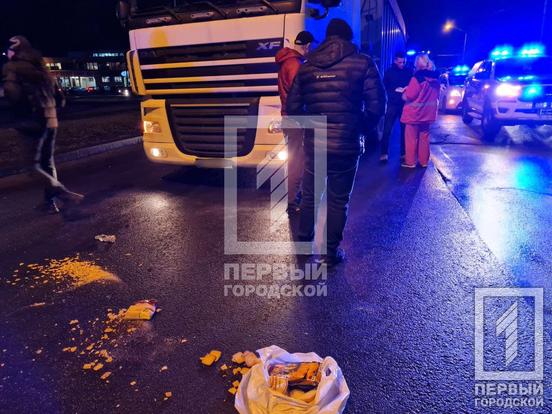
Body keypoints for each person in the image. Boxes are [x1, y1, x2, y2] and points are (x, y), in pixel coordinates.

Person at [286, 18, 386, 267]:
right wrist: (357, 127)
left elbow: (293, 107)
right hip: (346, 144)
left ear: (327, 38)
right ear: (348, 38)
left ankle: (303, 250)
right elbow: (378, 105)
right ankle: (331, 254)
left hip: (315, 146)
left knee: (309, 197)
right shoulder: (363, 63)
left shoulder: (307, 66)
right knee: (338, 199)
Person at [2, 35, 83, 213]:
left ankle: (64, 194)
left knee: (33, 167)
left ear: (14, 51)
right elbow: (60, 100)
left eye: (8, 50)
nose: (6, 53)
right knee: (47, 163)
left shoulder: (12, 68)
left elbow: (12, 95)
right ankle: (49, 203)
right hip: (51, 120)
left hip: (30, 121)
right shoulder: (42, 69)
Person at [275, 30, 314, 214]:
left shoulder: (287, 62)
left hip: (288, 116)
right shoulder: (295, 65)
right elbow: (299, 94)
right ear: (306, 46)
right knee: (297, 160)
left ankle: (293, 196)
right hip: (296, 118)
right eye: (309, 47)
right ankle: (293, 200)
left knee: (295, 158)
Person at [400, 53, 440, 169]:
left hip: (414, 113)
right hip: (427, 113)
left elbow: (410, 95)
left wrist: (404, 92)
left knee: (411, 138)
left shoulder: (417, 77)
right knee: (424, 137)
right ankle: (423, 161)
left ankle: (410, 162)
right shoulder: (436, 78)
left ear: (417, 64)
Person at [380, 51, 412, 163]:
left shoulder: (408, 72)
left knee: (404, 130)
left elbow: (412, 86)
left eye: (403, 62)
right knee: (387, 129)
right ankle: (384, 153)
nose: (402, 64)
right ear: (395, 60)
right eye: (400, 62)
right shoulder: (389, 72)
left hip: (404, 105)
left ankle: (403, 153)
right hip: (392, 104)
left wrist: (406, 89)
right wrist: (394, 92)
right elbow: (384, 87)